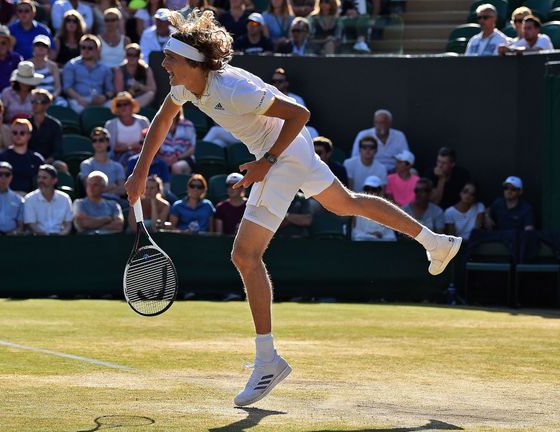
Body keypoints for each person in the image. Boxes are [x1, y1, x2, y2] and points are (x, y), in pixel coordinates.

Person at [124, 10, 462, 407]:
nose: (163, 64)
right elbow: (164, 118)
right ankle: (434, 242)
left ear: (193, 64)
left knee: (245, 255)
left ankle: (267, 360)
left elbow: (300, 115)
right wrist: (140, 172)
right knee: (345, 204)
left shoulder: (232, 88)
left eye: (171, 59)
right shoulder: (186, 87)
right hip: (286, 152)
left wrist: (266, 161)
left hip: (283, 153)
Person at [62, 34, 115, 113]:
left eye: (90, 48)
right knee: (77, 108)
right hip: (78, 100)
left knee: (112, 107)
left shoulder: (105, 68)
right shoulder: (71, 65)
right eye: (83, 47)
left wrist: (104, 97)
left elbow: (111, 90)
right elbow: (67, 88)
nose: (86, 50)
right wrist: (80, 99)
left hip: (99, 100)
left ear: (97, 49)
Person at [0, 118, 44, 195]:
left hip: (30, 200)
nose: (18, 135)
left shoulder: (36, 159)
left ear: (29, 135)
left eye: (22, 133)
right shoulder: (2, 158)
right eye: (15, 133)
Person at [23, 163, 73, 235]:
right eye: (39, 177)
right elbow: (31, 224)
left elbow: (68, 224)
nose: (40, 180)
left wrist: (61, 235)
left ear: (54, 180)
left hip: (60, 240)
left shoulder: (65, 198)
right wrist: (46, 236)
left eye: (44, 178)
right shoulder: (29, 199)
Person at [104, 91, 150, 166]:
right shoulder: (110, 125)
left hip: (141, 159)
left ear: (132, 105)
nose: (123, 107)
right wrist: (131, 148)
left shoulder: (143, 121)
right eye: (119, 105)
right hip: (118, 162)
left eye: (125, 104)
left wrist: (127, 148)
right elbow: (112, 148)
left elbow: (149, 144)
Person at [79, 127, 126, 200]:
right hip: (94, 202)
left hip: (115, 202)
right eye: (94, 140)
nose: (98, 143)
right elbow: (89, 188)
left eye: (101, 140)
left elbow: (123, 190)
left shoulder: (117, 166)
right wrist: (112, 187)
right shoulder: (86, 164)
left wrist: (99, 188)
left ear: (107, 142)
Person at [351, 176, 396, 241]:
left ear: (379, 191)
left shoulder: (387, 209)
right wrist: (371, 234)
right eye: (367, 189)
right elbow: (356, 233)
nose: (370, 192)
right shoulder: (357, 208)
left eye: (373, 189)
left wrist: (379, 235)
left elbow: (390, 235)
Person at [114, 43, 157, 108]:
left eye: (135, 55)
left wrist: (139, 86)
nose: (132, 57)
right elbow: (119, 93)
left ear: (139, 56)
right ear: (125, 56)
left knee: (150, 94)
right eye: (129, 55)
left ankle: (133, 107)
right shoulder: (120, 70)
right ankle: (131, 107)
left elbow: (153, 89)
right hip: (125, 101)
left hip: (142, 100)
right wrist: (130, 92)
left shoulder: (146, 69)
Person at [156, 110, 195, 175]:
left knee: (177, 167)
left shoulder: (188, 125)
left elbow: (192, 148)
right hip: (163, 158)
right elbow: (154, 148)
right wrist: (164, 159)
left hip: (183, 158)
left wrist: (178, 158)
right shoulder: (157, 125)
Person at [29, 35, 61, 99]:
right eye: (38, 44)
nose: (41, 47)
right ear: (33, 47)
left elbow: (58, 88)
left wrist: (52, 97)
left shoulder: (53, 66)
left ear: (48, 49)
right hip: (32, 99)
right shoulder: (27, 64)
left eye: (44, 45)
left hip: (51, 98)